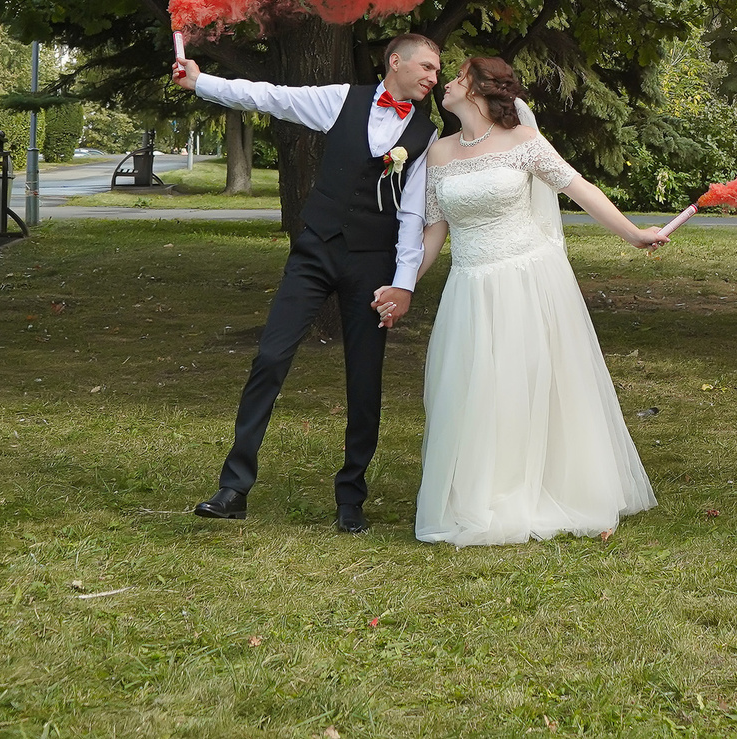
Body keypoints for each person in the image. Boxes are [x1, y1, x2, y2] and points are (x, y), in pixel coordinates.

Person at [170, 34, 442, 531]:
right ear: (395, 62)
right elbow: (269, 95)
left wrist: (403, 283)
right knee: (271, 356)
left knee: (365, 380)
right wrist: (200, 81)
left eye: (437, 71)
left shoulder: (425, 135)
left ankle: (350, 499)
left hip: (372, 263)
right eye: (426, 66)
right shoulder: (341, 99)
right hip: (315, 250)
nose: (433, 77)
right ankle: (233, 486)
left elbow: (412, 214)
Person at [398, 55, 665, 546]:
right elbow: (434, 231)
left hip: (528, 277)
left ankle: (548, 484)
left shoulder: (523, 142)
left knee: (529, 382)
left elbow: (579, 189)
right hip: (470, 286)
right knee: (476, 386)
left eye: (457, 78)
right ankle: (486, 490)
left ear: (480, 91)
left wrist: (633, 234)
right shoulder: (438, 153)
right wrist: (404, 284)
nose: (446, 84)